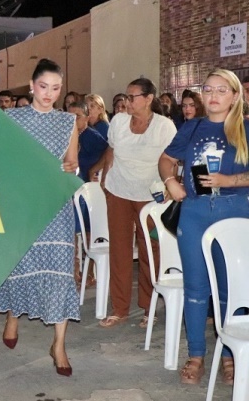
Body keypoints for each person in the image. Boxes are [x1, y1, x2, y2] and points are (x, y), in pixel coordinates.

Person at [159, 68, 249, 386]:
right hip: (195, 212)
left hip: (235, 213)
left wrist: (229, 180)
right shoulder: (193, 126)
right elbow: (166, 159)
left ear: (235, 96)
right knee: (196, 287)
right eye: (208, 89)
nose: (213, 96)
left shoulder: (245, 128)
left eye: (222, 90)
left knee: (230, 288)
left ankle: (229, 355)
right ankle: (196, 354)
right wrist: (171, 182)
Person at [0, 58, 79, 377]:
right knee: (21, 266)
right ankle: (13, 314)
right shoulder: (11, 118)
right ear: (31, 86)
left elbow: (72, 162)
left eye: (55, 88)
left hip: (56, 205)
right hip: (22, 205)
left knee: (60, 273)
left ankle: (59, 345)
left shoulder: (68, 121)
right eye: (43, 86)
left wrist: (71, 167)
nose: (49, 94)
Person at [92, 78, 177, 329]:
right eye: (126, 97)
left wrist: (169, 185)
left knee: (151, 250)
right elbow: (111, 150)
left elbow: (171, 160)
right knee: (119, 250)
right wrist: (103, 176)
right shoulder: (118, 121)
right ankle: (119, 308)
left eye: (132, 97)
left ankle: (149, 308)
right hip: (119, 190)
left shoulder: (164, 126)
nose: (126, 101)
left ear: (148, 99)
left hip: (150, 196)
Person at [67, 100, 109, 285]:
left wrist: (95, 170)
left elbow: (108, 153)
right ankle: (74, 270)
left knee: (89, 229)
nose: (72, 120)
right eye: (69, 116)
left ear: (86, 117)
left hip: (87, 190)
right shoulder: (65, 136)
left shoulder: (92, 136)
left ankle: (90, 271)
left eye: (76, 116)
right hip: (71, 189)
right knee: (71, 230)